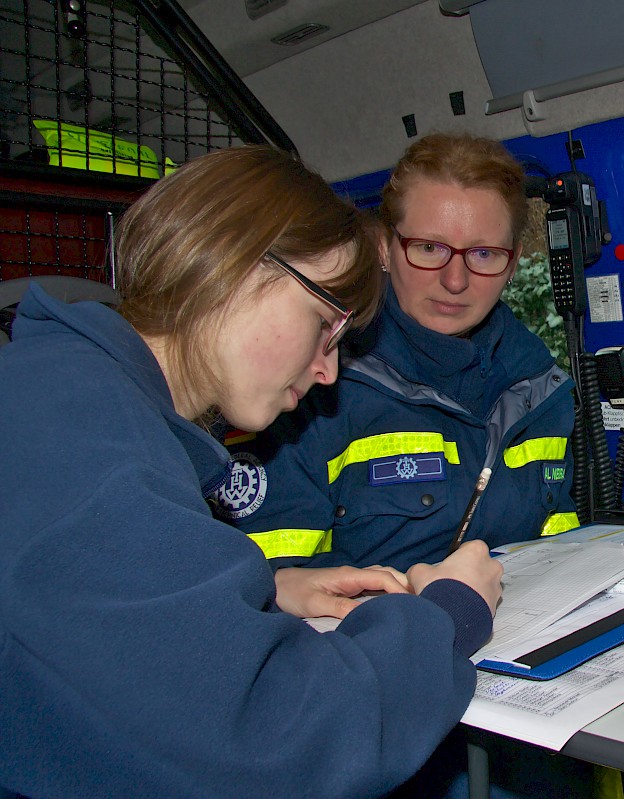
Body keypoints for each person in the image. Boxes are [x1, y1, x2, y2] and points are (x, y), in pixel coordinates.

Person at [0, 145, 503, 798]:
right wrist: (449, 614)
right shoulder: (95, 449)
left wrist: (270, 586)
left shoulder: (71, 399)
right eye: (325, 323)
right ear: (233, 264)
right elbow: (279, 745)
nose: (328, 370)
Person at [214, 132, 578, 572]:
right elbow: (267, 590)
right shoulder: (310, 388)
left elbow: (559, 554)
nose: (455, 281)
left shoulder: (542, 393)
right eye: (429, 248)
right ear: (384, 247)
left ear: (513, 262)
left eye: (483, 253)